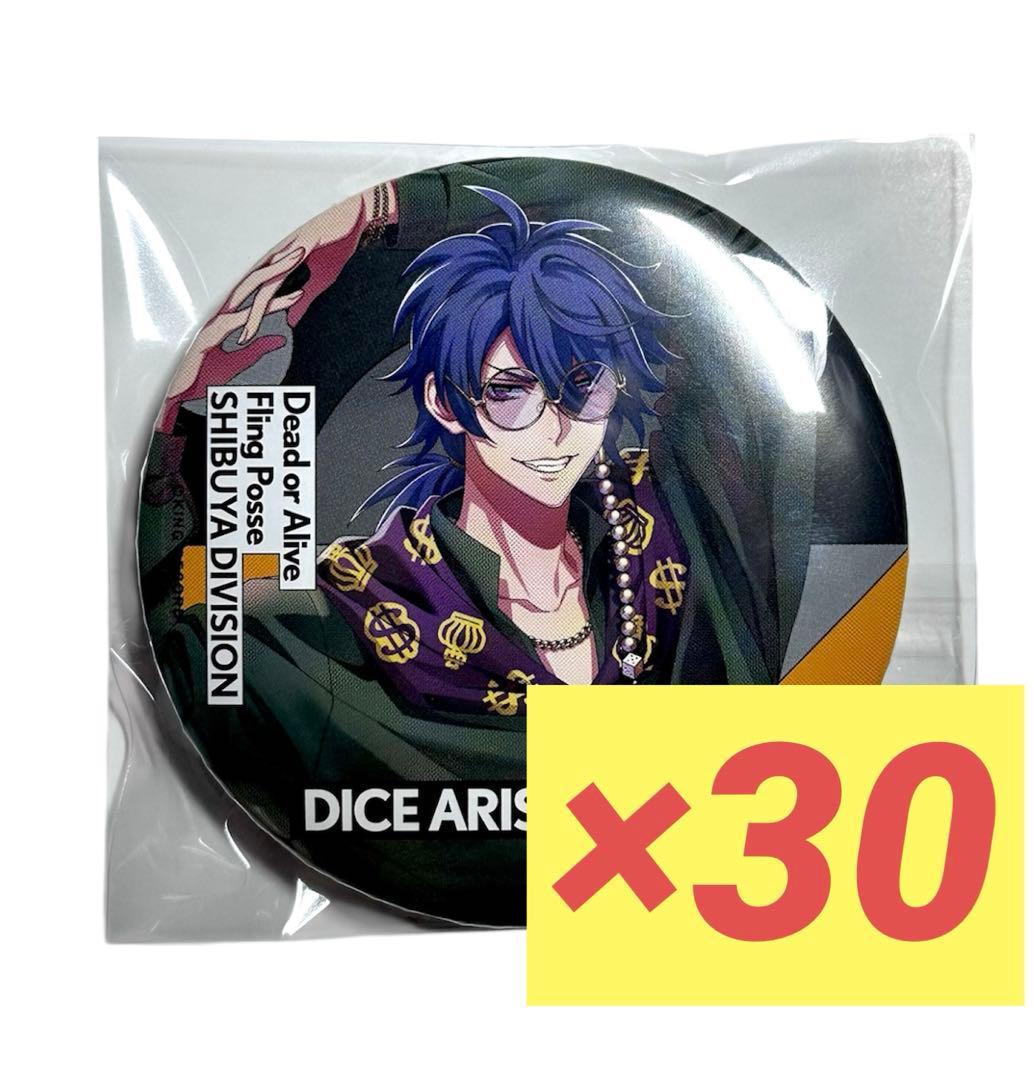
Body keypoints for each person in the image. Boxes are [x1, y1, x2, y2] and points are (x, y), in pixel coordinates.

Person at [140, 159, 905, 923]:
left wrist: (391, 208)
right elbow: (192, 629)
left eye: (582, 385)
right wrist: (192, 415)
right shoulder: (352, 608)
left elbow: (701, 259)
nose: (553, 429)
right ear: (447, 401)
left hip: (731, 888)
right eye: (509, 392)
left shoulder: (675, 535)